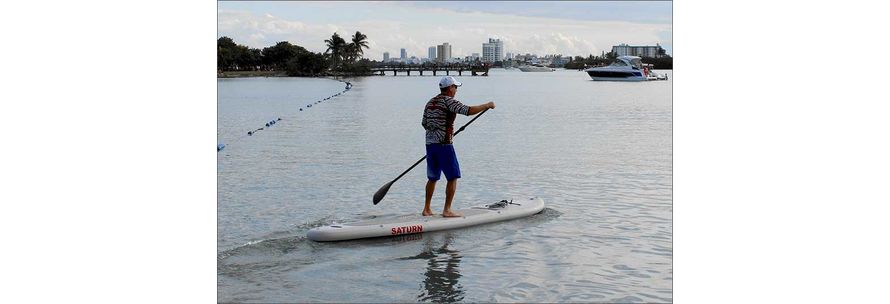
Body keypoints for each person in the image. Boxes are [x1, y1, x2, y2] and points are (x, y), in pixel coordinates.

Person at [421, 76, 495, 217]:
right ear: (450, 88)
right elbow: (467, 110)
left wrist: (435, 132)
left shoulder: (430, 102)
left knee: (432, 177)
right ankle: (447, 210)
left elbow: (424, 123)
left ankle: (426, 209)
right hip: (444, 144)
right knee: (452, 176)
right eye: (455, 87)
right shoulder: (449, 101)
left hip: (430, 145)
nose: (456, 90)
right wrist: (486, 105)